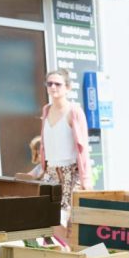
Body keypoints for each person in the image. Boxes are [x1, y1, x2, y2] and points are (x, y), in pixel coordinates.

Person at [38, 69, 91, 248]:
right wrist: (38, 169)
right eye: (49, 83)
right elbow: (46, 144)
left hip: (71, 172)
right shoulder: (46, 110)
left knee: (64, 218)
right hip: (51, 172)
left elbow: (83, 148)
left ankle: (71, 252)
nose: (53, 87)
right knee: (44, 216)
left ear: (67, 88)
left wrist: (86, 180)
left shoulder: (74, 111)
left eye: (58, 84)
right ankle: (58, 251)